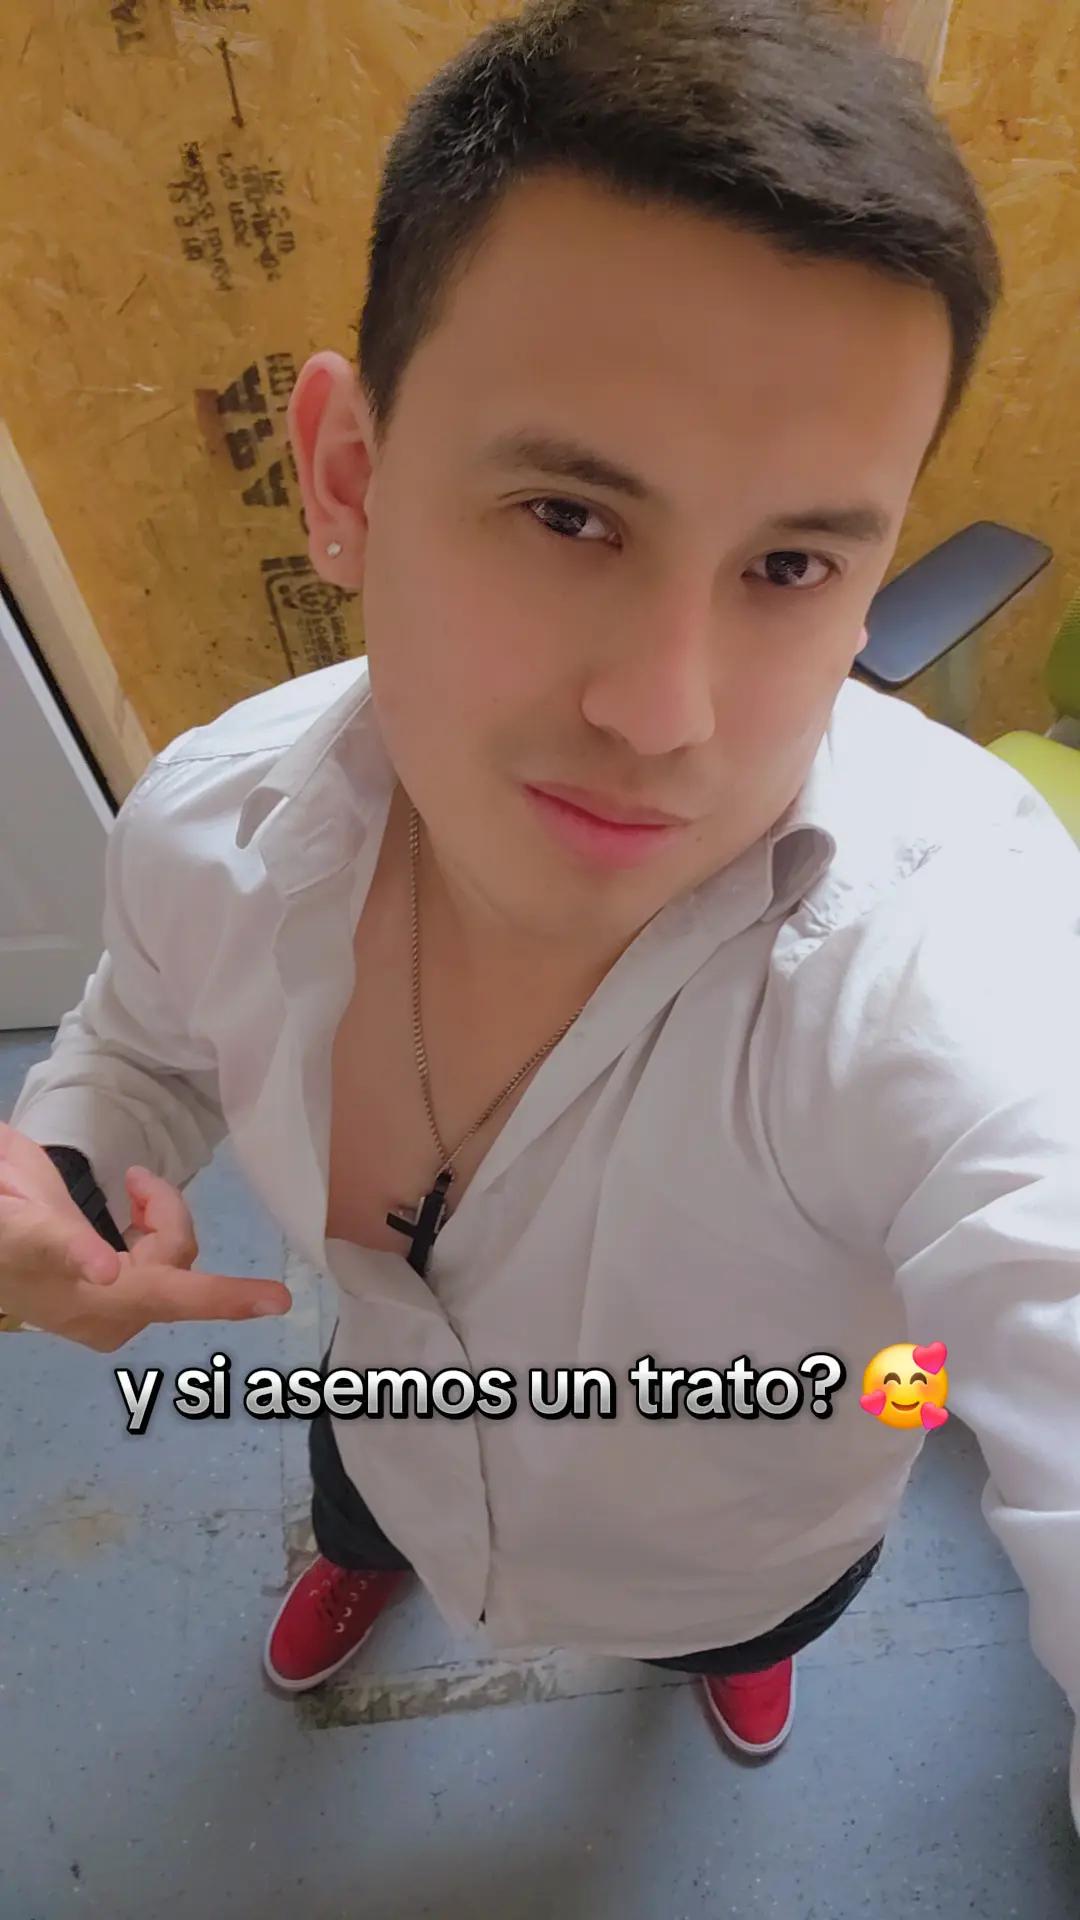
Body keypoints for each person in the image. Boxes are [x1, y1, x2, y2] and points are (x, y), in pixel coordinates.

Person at [3, 0, 1078, 1821]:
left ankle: (736, 1652)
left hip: (751, 1527)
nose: (664, 713)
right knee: (362, 1487)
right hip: (389, 1434)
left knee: (753, 1619)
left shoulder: (952, 961)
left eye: (791, 563)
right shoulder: (211, 816)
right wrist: (71, 1170)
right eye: (571, 514)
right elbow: (143, 1033)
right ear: (349, 482)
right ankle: (369, 1557)